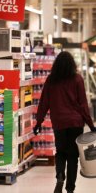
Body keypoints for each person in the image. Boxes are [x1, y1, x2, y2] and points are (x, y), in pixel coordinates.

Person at [34, 51, 96, 193]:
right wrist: (91, 125)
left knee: (60, 152)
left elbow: (44, 102)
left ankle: (60, 175)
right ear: (72, 65)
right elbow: (83, 105)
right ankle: (70, 189)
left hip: (59, 123)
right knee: (73, 156)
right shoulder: (77, 79)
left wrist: (39, 122)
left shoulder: (51, 80)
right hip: (75, 123)